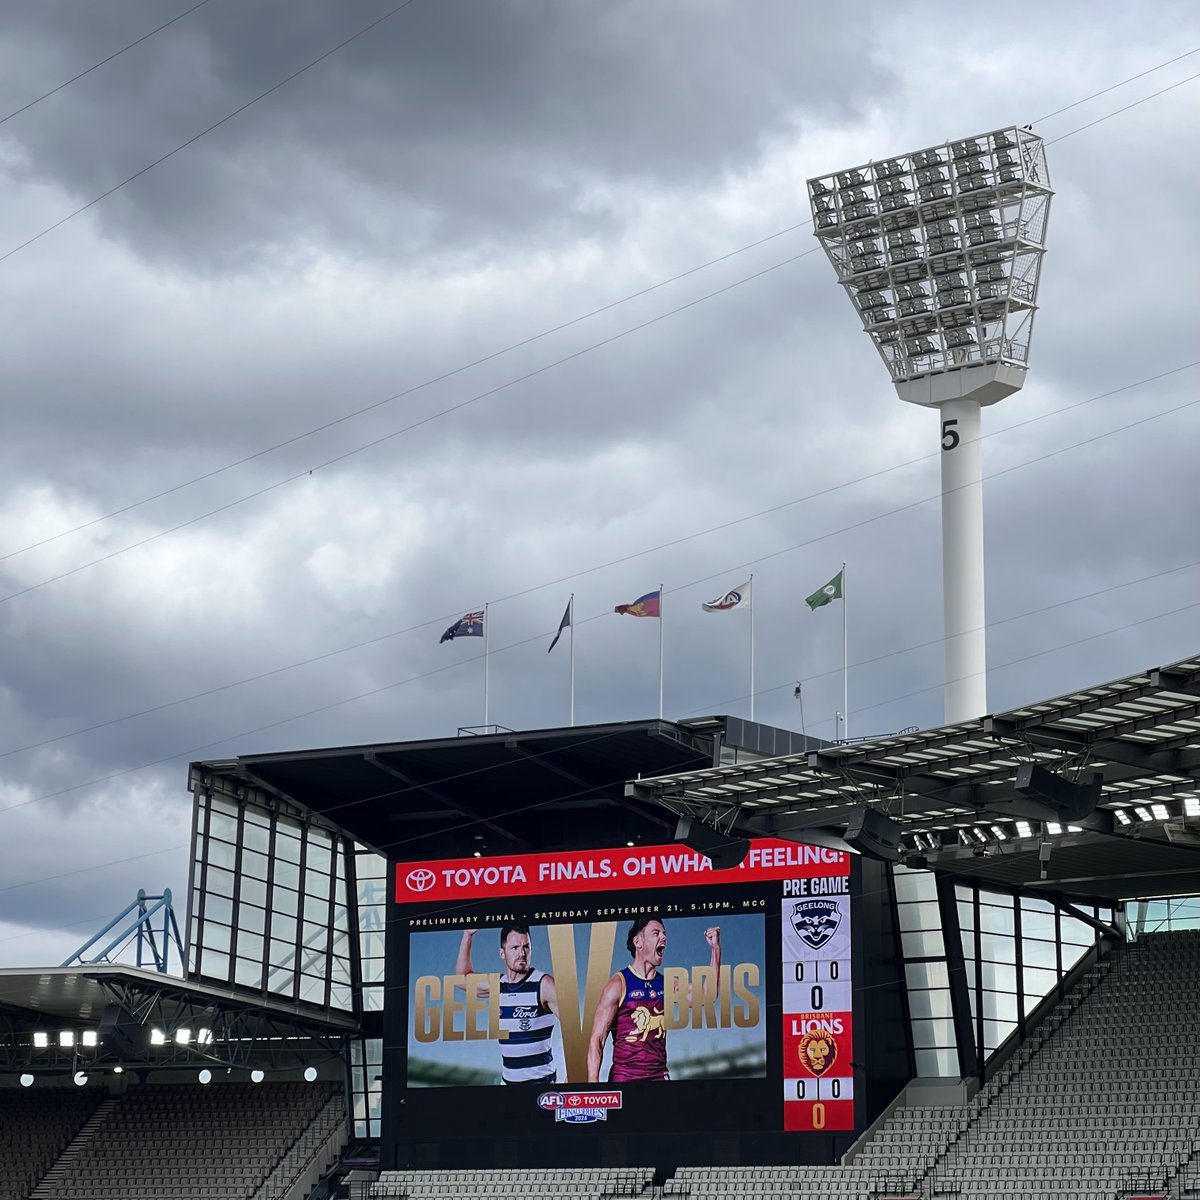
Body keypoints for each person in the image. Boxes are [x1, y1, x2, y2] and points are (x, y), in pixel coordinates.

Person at [586, 917, 720, 1082]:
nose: (663, 937)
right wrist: (593, 1088)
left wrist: (715, 950)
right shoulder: (618, 984)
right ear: (638, 941)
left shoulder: (668, 983)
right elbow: (597, 1040)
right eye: (656, 933)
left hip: (658, 1077)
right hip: (625, 1078)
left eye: (664, 934)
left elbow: (707, 997)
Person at [456, 924, 560, 1084]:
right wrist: (467, 936)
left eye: (526, 947)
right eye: (515, 948)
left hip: (541, 1084)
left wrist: (574, 1077)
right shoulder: (498, 985)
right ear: (502, 953)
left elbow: (575, 1030)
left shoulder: (544, 984)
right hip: (508, 1084)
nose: (522, 953)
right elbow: (461, 978)